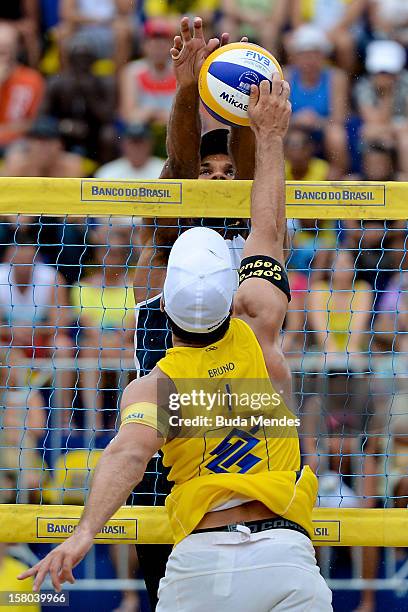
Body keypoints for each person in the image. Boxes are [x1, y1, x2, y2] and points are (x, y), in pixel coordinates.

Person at [18, 72, 332, 612]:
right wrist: (240, 116)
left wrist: (82, 532)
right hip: (272, 537)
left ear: (165, 302)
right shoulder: (258, 328)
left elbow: (126, 452)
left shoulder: (153, 387)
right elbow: (262, 224)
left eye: (227, 172)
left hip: (188, 491)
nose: (215, 179)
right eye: (207, 173)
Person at [285, 24, 349, 179]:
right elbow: (275, 115)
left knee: (337, 135)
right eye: (305, 55)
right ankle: (276, 176)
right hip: (291, 126)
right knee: (275, 134)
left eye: (315, 55)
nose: (310, 60)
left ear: (323, 57)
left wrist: (317, 121)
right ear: (296, 57)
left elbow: (339, 118)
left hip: (323, 127)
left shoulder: (336, 77)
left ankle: (335, 179)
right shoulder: (285, 75)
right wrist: (296, 120)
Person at [41, 39, 116, 162]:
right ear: (70, 60)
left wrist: (90, 94)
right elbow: (42, 116)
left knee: (109, 135)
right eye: (78, 59)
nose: (82, 64)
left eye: (86, 59)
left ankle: (104, 172)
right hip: (63, 131)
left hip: (93, 132)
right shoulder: (57, 83)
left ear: (93, 61)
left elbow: (108, 117)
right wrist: (63, 125)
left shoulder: (104, 83)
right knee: (44, 137)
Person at [353, 39, 408, 176]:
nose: (384, 76)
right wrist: (386, 95)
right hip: (386, 131)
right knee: (370, 135)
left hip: (399, 132)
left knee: (404, 140)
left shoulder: (406, 82)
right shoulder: (364, 86)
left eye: (388, 72)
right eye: (380, 71)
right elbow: (373, 121)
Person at [0, 22, 44, 151]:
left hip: (18, 143)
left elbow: (35, 121)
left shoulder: (32, 79)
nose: (3, 51)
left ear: (17, 48)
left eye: (7, 46)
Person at [57, 0, 135, 70]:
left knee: (123, 31)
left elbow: (127, 9)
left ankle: (119, 81)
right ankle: (68, 81)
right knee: (62, 33)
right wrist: (97, 20)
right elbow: (67, 13)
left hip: (111, 29)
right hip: (81, 29)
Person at [1, 116, 86, 178]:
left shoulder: (71, 165)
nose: (43, 148)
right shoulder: (17, 164)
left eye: (48, 141)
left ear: (60, 145)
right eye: (38, 140)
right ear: (29, 143)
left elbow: (79, 200)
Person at [95, 123, 164, 180]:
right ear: (123, 145)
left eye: (141, 142)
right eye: (132, 143)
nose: (136, 148)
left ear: (150, 144)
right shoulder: (107, 172)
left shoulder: (164, 171)